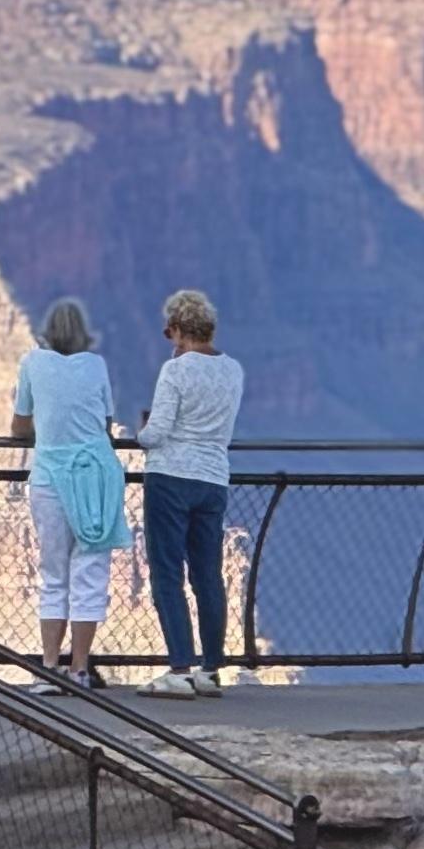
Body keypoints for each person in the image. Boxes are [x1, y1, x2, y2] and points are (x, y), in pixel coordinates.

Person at [10, 296, 129, 691]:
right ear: (83, 334)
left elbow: (19, 426)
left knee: (53, 575)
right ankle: (79, 670)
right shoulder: (96, 365)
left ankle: (48, 669)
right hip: (95, 479)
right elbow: (105, 424)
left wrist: (48, 427)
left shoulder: (32, 363)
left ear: (47, 333)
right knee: (90, 574)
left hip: (50, 480)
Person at [131, 287, 244, 700]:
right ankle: (210, 670)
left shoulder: (175, 371)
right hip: (213, 480)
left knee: (167, 574)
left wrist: (140, 432)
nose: (170, 339)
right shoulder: (233, 370)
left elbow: (157, 433)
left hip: (171, 479)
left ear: (180, 329)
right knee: (207, 575)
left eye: (169, 332)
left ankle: (179, 669)